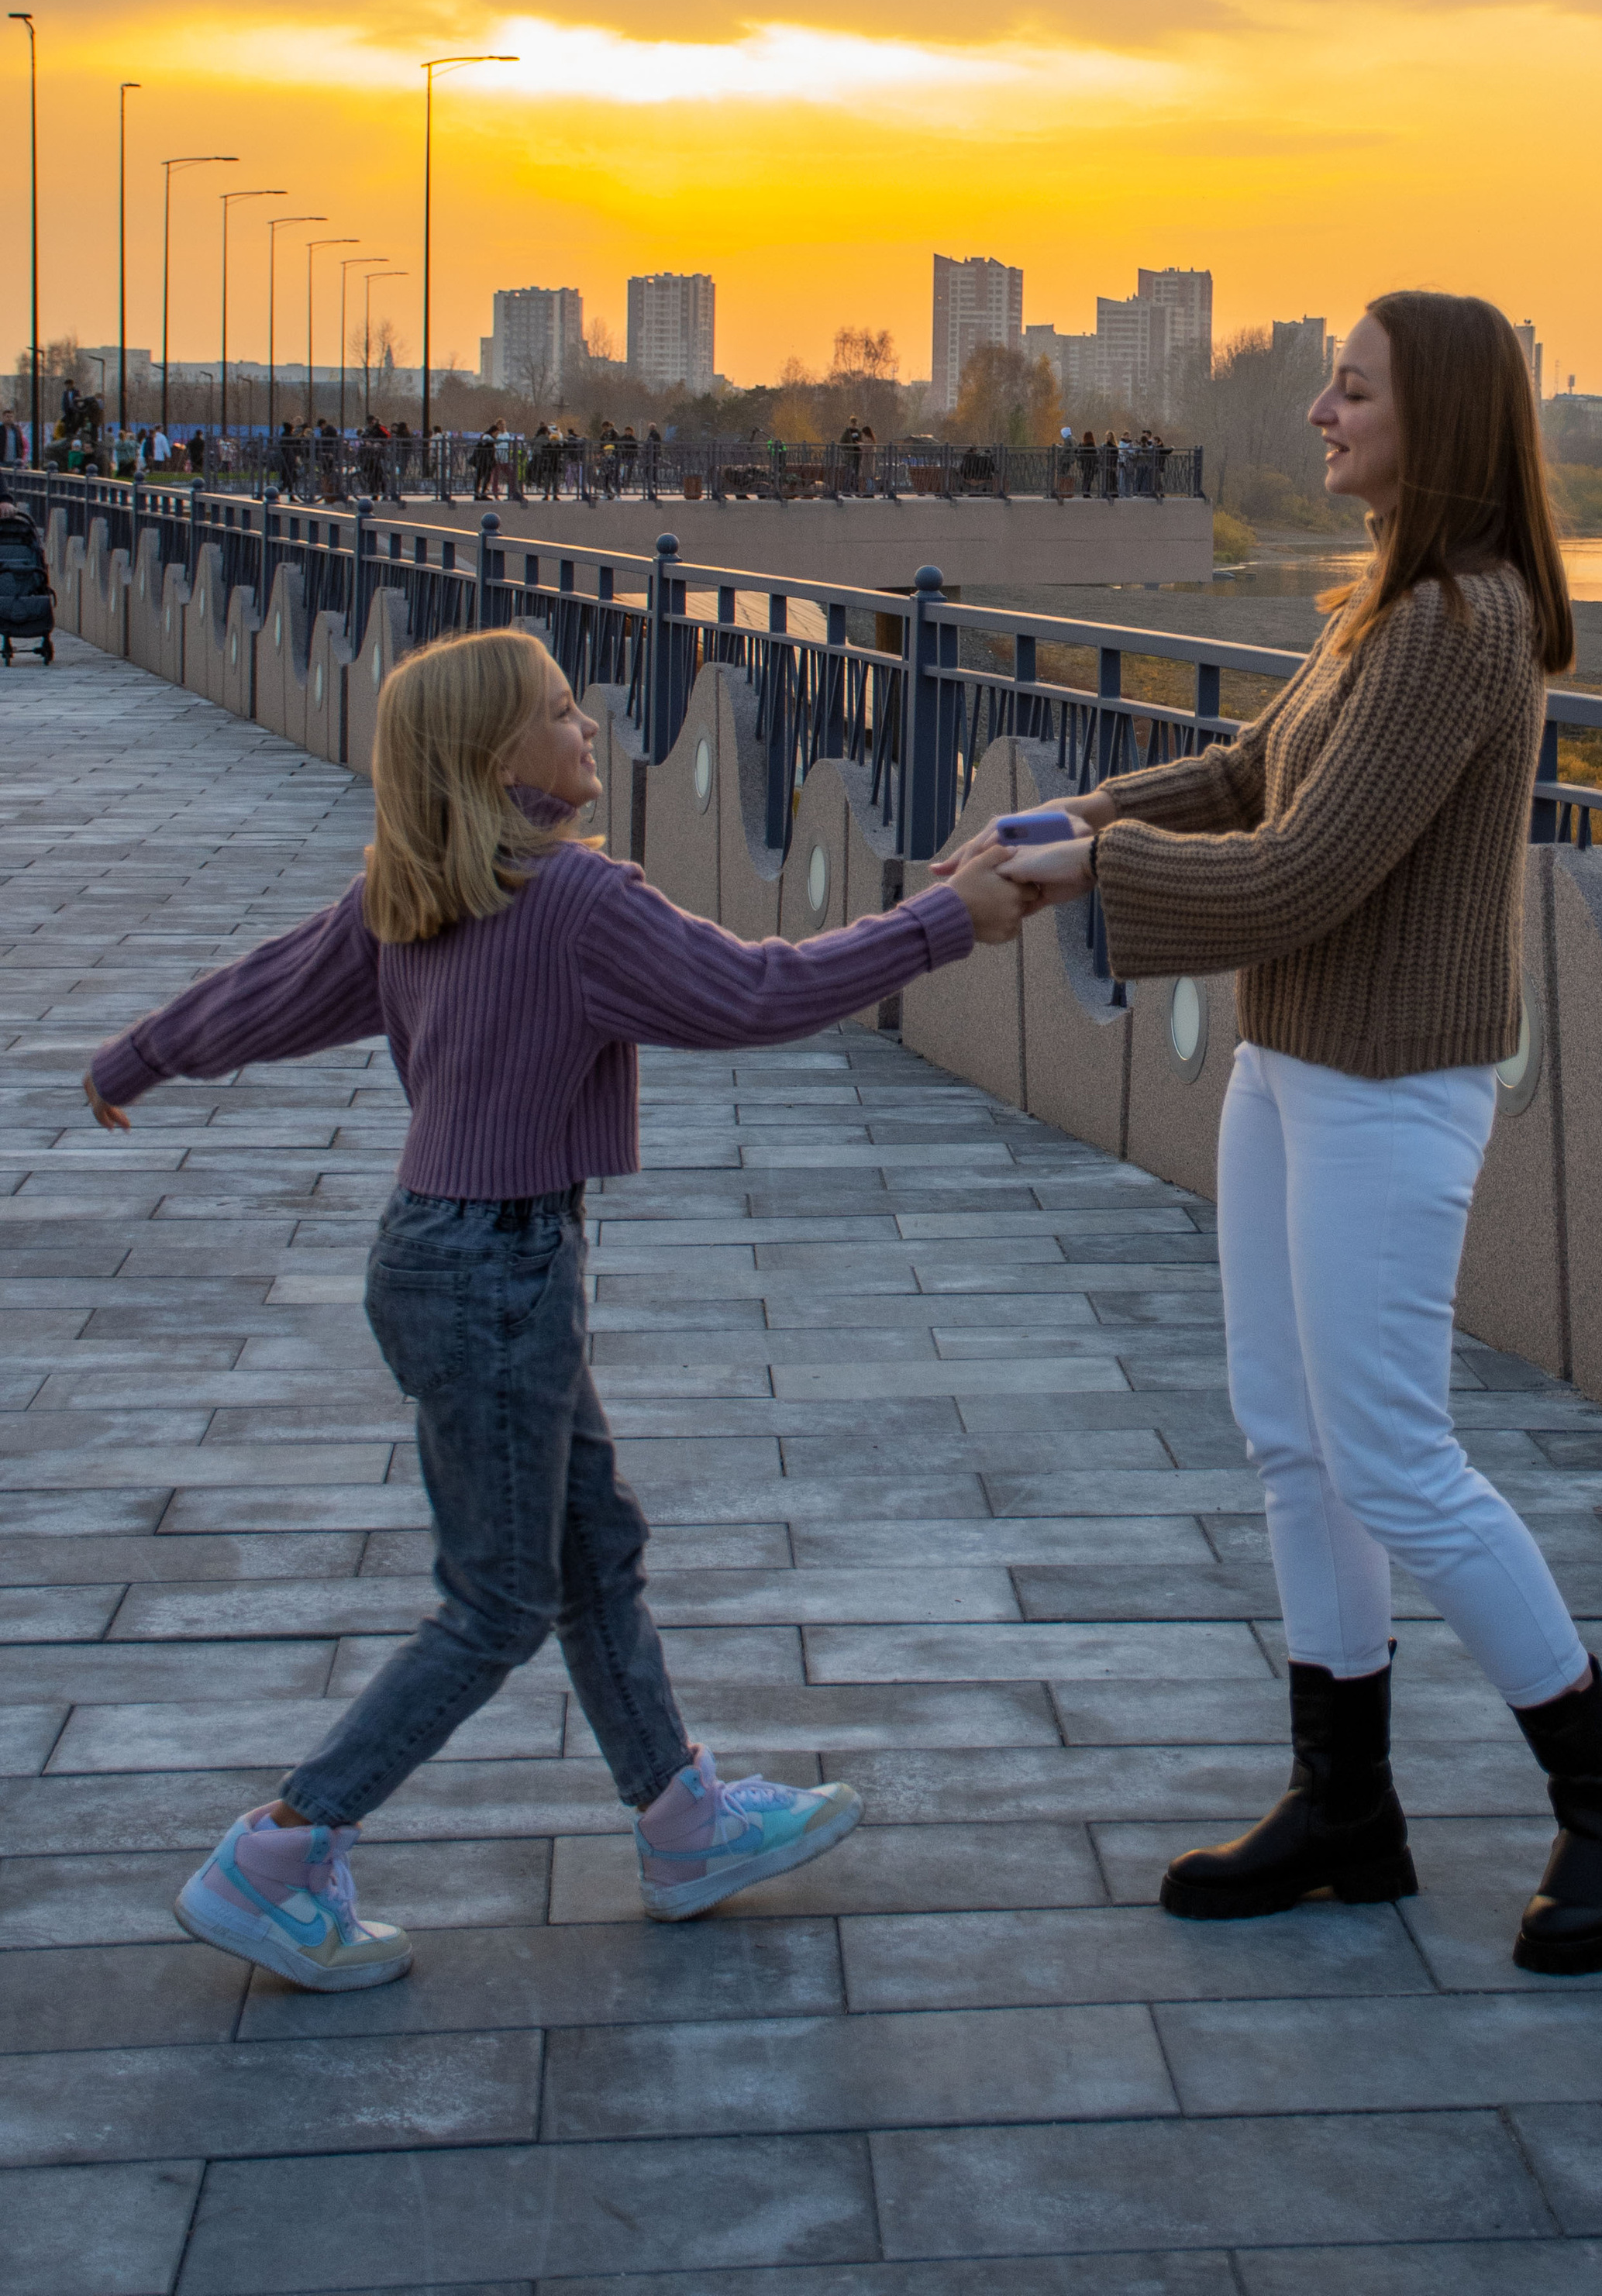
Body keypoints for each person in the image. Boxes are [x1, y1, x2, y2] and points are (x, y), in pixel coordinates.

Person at [83, 626, 1039, 1992]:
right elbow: (757, 994)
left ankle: (680, 1821)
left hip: (442, 1258)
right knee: (498, 1604)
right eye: (553, 712)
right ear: (494, 761)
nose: (584, 721)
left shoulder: (411, 893)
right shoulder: (575, 903)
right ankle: (280, 1852)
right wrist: (948, 921)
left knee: (594, 1551)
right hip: (498, 1274)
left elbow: (260, 998)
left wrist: (141, 1055)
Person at [965, 290, 1602, 1980]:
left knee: (1392, 1460)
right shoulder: (1387, 608)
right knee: (1289, 1438)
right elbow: (1244, 783)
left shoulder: (1460, 625)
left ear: (1429, 420)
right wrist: (1052, 817)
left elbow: (1301, 876)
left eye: (1347, 391)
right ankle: (1343, 1807)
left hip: (1386, 1084)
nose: (1316, 415)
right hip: (1298, 1061)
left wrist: (1072, 875)